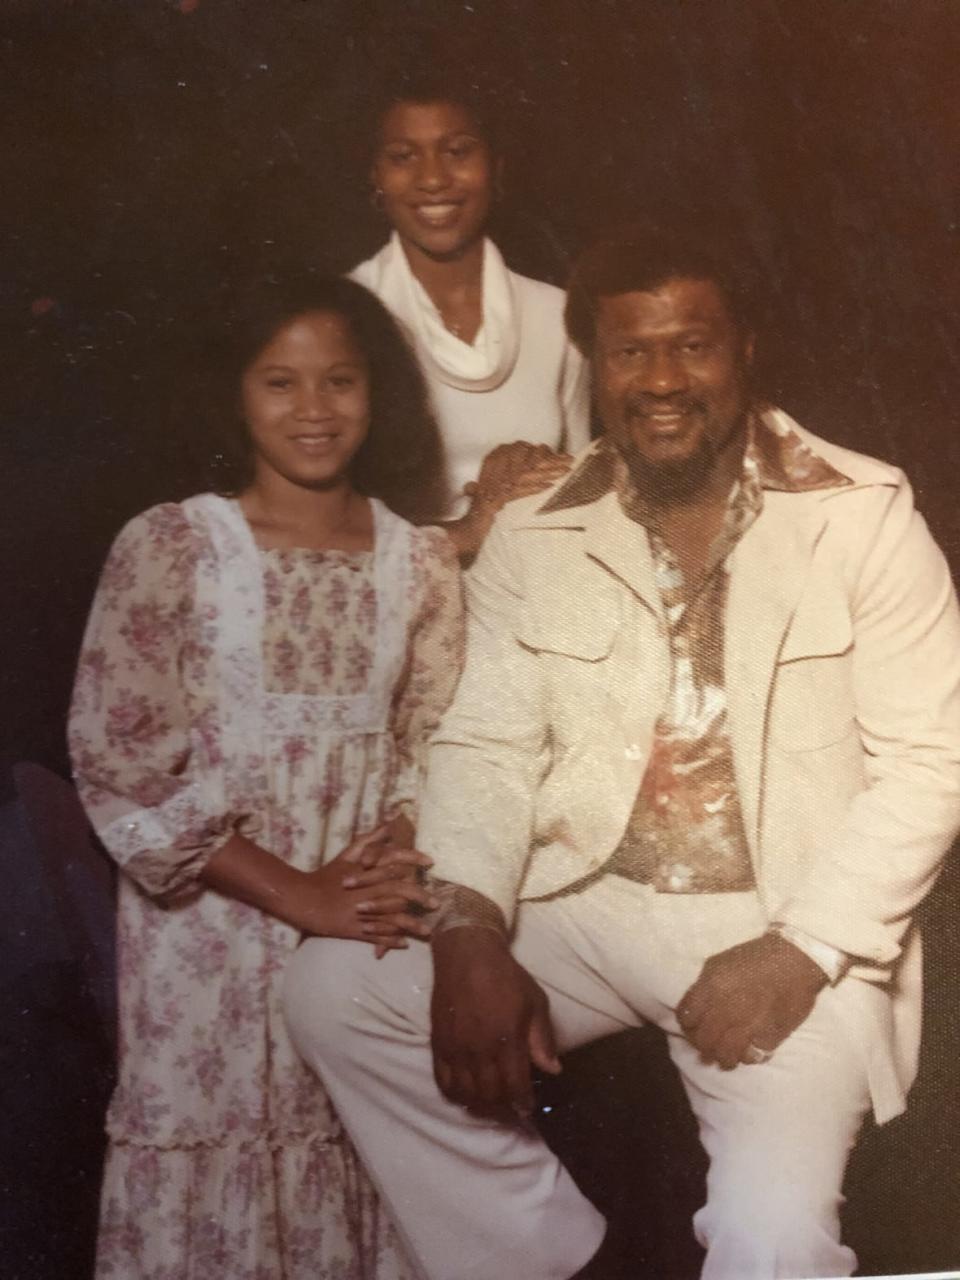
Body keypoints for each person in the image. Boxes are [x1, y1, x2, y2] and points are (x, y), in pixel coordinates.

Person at [283, 228, 960, 1280]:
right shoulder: (538, 530)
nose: (661, 381)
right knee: (337, 991)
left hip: (784, 913)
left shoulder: (861, 515)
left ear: (745, 349)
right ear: (597, 366)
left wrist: (799, 951)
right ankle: (552, 1263)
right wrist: (466, 930)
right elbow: (487, 742)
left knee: (773, 1236)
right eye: (631, 352)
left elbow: (935, 762)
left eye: (691, 346)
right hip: (588, 893)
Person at [68, 275, 464, 1279]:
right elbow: (122, 764)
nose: (314, 409)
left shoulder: (419, 562)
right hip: (206, 940)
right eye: (280, 382)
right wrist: (301, 895)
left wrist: (399, 845)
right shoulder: (170, 547)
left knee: (367, 1164)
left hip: (365, 929)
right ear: (235, 394)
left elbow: (441, 740)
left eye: (339, 380)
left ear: (377, 393)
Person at [349, 77, 591, 560]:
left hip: (533, 596)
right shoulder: (346, 314)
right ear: (375, 175)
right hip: (397, 601)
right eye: (403, 156)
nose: (433, 179)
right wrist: (475, 520)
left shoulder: (557, 314)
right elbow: (326, 522)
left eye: (457, 151)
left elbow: (582, 498)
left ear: (495, 168)